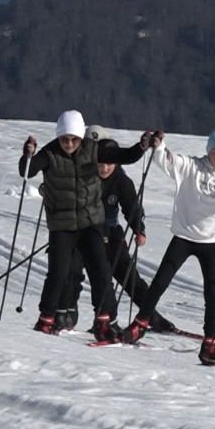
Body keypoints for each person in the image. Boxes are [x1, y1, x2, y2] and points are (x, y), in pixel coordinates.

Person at [125, 130, 215, 354]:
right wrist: (159, 146)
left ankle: (210, 341)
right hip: (184, 236)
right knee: (160, 281)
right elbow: (170, 162)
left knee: (212, 291)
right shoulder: (193, 166)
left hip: (212, 241)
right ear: (208, 151)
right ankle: (140, 323)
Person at [19, 110, 153, 340]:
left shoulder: (93, 149)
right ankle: (46, 319)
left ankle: (104, 321)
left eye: (74, 139)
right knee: (58, 273)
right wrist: (27, 155)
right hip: (62, 226)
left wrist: (142, 146)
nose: (69, 144)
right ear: (58, 136)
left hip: (91, 223)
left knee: (101, 271)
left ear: (82, 136)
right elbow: (26, 171)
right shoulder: (49, 153)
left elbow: (125, 156)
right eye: (65, 139)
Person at [57, 134, 179, 335]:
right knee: (73, 272)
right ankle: (71, 314)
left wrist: (139, 230)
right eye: (101, 163)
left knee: (128, 276)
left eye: (110, 163)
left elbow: (131, 208)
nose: (104, 168)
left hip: (110, 232)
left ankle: (150, 315)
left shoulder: (122, 181)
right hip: (83, 232)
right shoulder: (85, 176)